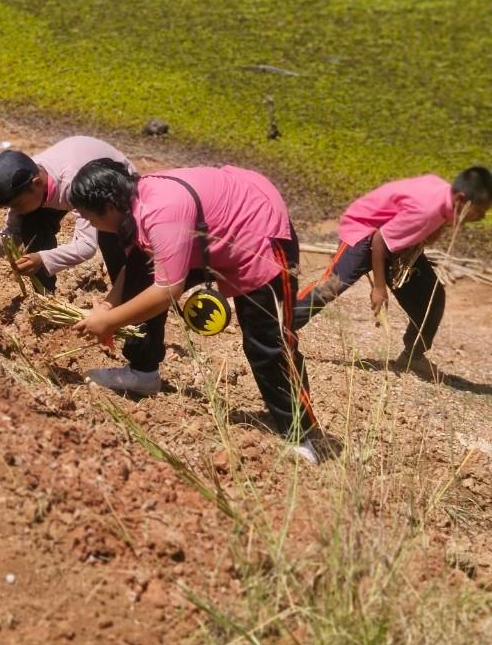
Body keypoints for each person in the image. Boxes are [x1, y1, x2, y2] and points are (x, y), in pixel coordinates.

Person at [69, 159, 320, 461]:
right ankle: (142, 372)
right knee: (141, 272)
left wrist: (108, 322)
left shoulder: (160, 213)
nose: (87, 222)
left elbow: (167, 292)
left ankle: (299, 435)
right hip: (208, 232)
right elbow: (136, 266)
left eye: (87, 215)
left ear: (108, 206)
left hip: (257, 232)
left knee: (267, 342)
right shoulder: (132, 204)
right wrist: (109, 304)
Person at [0, 140, 167, 388]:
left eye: (16, 204)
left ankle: (143, 369)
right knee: (30, 225)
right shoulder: (29, 177)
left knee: (131, 276)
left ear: (36, 184)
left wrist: (43, 259)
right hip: (65, 190)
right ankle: (45, 302)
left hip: (112, 195)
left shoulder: (75, 186)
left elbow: (85, 247)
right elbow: (14, 225)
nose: (15, 210)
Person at [293, 167, 492, 379]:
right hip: (365, 232)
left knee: (433, 297)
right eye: (479, 212)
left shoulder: (445, 201)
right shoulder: (427, 210)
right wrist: (379, 288)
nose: (480, 218)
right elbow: (379, 240)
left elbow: (408, 235)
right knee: (331, 286)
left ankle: (413, 356)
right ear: (461, 199)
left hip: (393, 241)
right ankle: (281, 326)